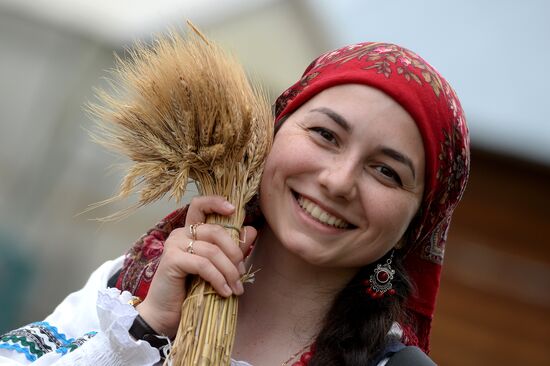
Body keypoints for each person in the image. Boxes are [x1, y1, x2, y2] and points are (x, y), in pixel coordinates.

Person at [0, 41, 469, 366]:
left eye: (387, 171)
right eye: (325, 135)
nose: (339, 181)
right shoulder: (125, 290)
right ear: (275, 129)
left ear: (417, 225)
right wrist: (146, 330)